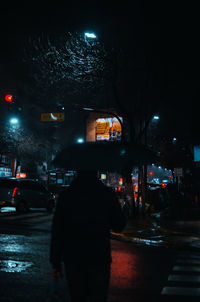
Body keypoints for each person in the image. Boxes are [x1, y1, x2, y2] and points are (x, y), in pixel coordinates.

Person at [50, 169, 128, 302]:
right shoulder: (106, 194)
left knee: (77, 296)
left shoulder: (67, 195)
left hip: (74, 257)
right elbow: (119, 225)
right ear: (96, 173)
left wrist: (55, 260)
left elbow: (58, 230)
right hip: (99, 257)